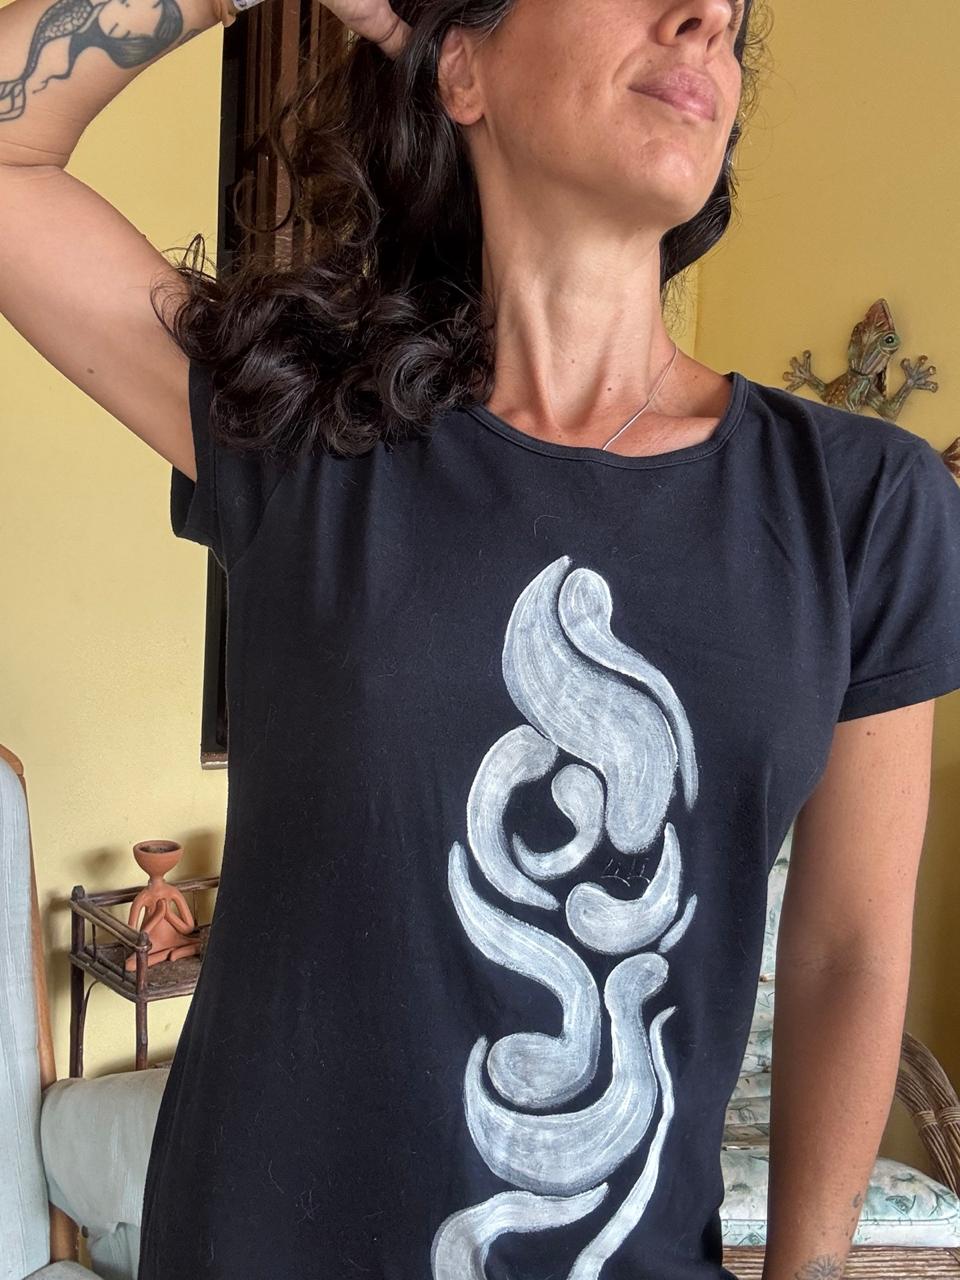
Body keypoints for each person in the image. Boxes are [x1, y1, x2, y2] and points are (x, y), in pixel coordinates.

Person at [3, 1, 960, 1278]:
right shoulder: (308, 433)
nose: (705, 23)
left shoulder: (863, 502)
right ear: (462, 69)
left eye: (730, 19)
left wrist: (809, 1268)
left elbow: (846, 949)